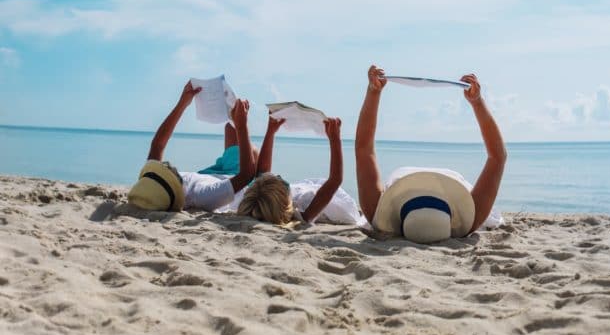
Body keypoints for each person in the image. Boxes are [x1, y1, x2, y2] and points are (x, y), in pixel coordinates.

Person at [355, 65, 507, 243]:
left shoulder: (376, 210)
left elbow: (364, 148)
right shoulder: (472, 218)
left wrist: (373, 93)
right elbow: (498, 156)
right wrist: (477, 102)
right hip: (452, 185)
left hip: (434, 185)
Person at [127, 81, 256, 212]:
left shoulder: (153, 181)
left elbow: (157, 145)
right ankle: (272, 127)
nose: (165, 166)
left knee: (230, 125)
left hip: (209, 174)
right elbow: (246, 175)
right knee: (252, 152)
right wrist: (242, 125)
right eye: (166, 173)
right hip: (237, 178)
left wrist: (183, 103)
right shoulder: (200, 196)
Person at [236, 113, 364, 226]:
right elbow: (335, 180)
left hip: (301, 190)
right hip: (340, 204)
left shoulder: (262, 203)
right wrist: (335, 139)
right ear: (285, 201)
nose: (279, 176)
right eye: (283, 183)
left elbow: (262, 174)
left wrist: (271, 131)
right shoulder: (304, 214)